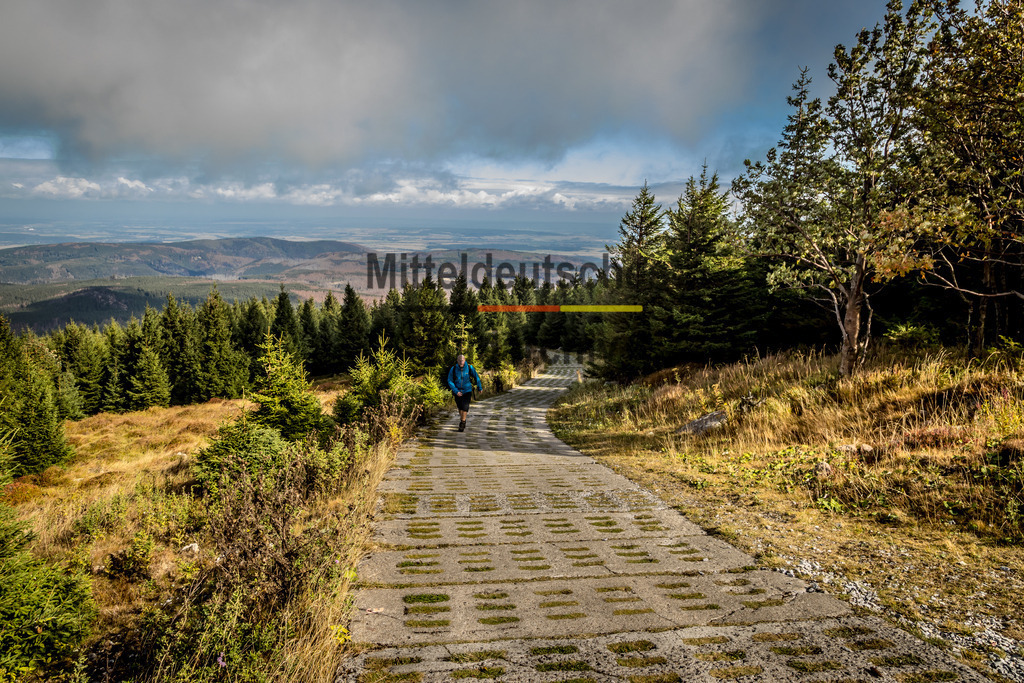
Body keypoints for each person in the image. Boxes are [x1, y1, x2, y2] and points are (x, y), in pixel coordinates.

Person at [447, 353, 482, 432]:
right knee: (460, 407)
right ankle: (463, 419)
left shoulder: (469, 368)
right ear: (457, 361)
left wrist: (479, 387)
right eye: (459, 360)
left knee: (465, 407)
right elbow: (450, 380)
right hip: (457, 391)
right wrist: (456, 391)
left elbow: (476, 377)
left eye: (462, 360)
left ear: (465, 360)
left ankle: (462, 423)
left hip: (467, 390)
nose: (461, 362)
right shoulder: (454, 368)